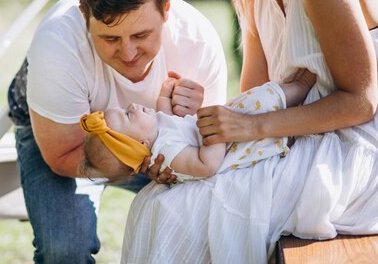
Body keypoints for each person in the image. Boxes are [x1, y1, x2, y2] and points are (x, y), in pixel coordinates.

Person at [119, 0, 378, 264]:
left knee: (182, 214)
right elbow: (255, 95)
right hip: (296, 142)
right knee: (159, 201)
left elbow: (362, 102)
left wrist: (250, 126)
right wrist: (183, 145)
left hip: (355, 155)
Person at [7, 0, 228, 264]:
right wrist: (142, 163)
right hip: (63, 136)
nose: (128, 53)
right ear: (84, 15)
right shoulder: (57, 45)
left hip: (150, 136)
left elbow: (211, 156)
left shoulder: (197, 42)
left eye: (141, 34)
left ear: (167, 9)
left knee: (207, 219)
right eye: (109, 38)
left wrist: (180, 129)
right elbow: (62, 156)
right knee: (65, 246)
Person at [80, 70, 316, 182]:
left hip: (232, 131)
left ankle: (296, 91)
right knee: (260, 102)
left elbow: (165, 113)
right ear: (142, 144)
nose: (131, 106)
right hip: (234, 148)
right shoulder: (168, 152)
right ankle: (305, 85)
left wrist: (166, 92)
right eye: (128, 116)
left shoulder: (158, 129)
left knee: (258, 101)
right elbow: (207, 165)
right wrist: (213, 134)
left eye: (123, 109)